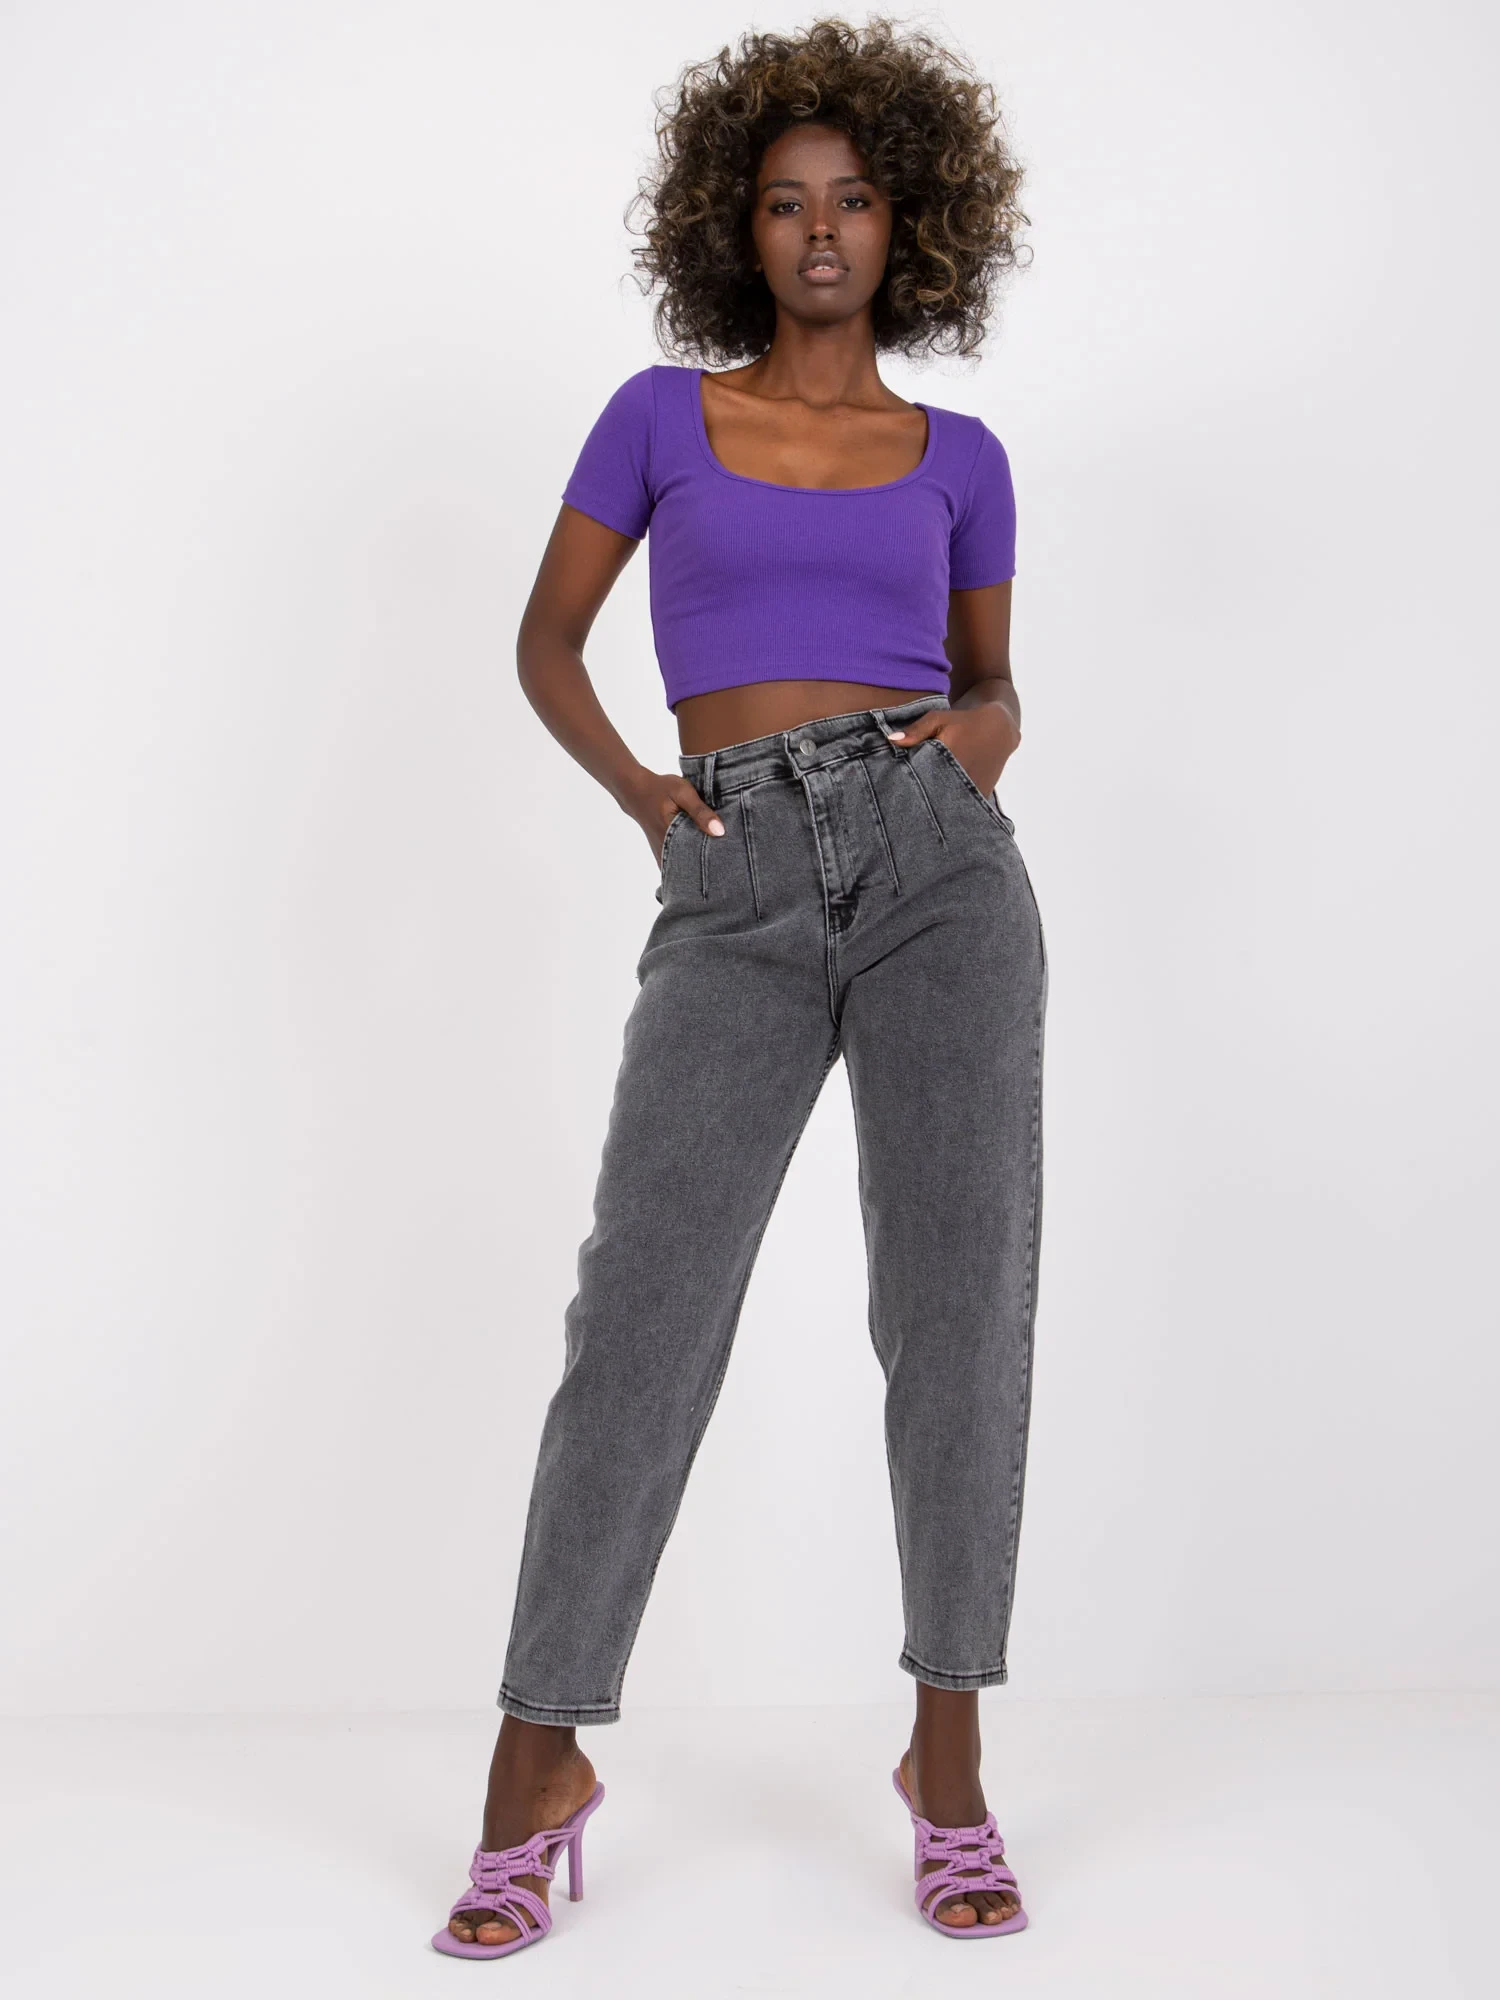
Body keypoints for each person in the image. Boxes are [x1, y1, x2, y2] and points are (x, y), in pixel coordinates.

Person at [432, 15, 1045, 1959]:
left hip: (941, 871)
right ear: (736, 227)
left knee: (959, 1309)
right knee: (643, 1310)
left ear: (911, 222)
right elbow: (546, 639)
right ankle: (537, 1765)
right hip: (734, 870)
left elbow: (990, 678)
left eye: (854, 199)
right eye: (785, 202)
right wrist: (644, 793)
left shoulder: (961, 458)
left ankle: (948, 1758)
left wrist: (971, 755)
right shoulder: (654, 416)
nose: (822, 230)